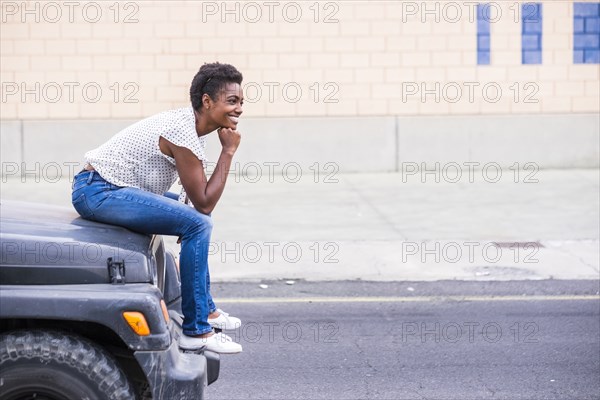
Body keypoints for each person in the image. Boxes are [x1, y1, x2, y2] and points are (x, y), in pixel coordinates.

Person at [71, 62, 244, 354]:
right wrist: (228, 151)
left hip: (111, 188)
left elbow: (200, 201)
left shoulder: (189, 125)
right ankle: (197, 331)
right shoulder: (183, 132)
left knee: (198, 218)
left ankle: (207, 310)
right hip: (99, 190)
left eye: (241, 102)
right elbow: (203, 199)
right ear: (207, 101)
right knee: (198, 223)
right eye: (232, 101)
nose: (239, 109)